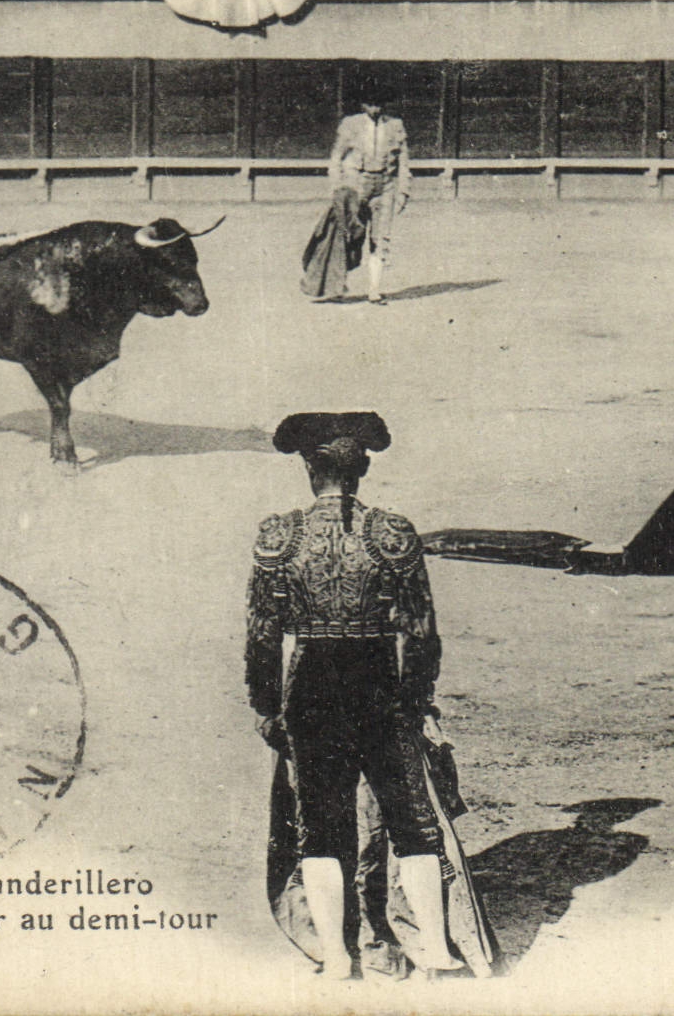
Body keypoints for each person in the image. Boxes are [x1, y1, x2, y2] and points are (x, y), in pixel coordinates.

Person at [246, 412, 467, 978]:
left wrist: (267, 707)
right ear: (362, 468)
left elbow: (263, 635)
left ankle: (339, 960)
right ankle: (437, 952)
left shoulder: (280, 535)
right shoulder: (392, 532)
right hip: (378, 682)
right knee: (411, 821)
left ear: (308, 469)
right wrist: (416, 703)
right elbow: (421, 631)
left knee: (321, 824)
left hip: (312, 684)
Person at [327, 81, 411, 303]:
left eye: (379, 104)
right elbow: (336, 157)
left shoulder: (395, 125)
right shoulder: (350, 125)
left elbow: (403, 162)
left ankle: (374, 290)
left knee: (380, 238)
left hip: (385, 186)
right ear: (363, 105)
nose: (375, 109)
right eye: (370, 104)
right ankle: (338, 286)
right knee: (349, 235)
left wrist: (403, 191)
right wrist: (337, 188)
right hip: (356, 184)